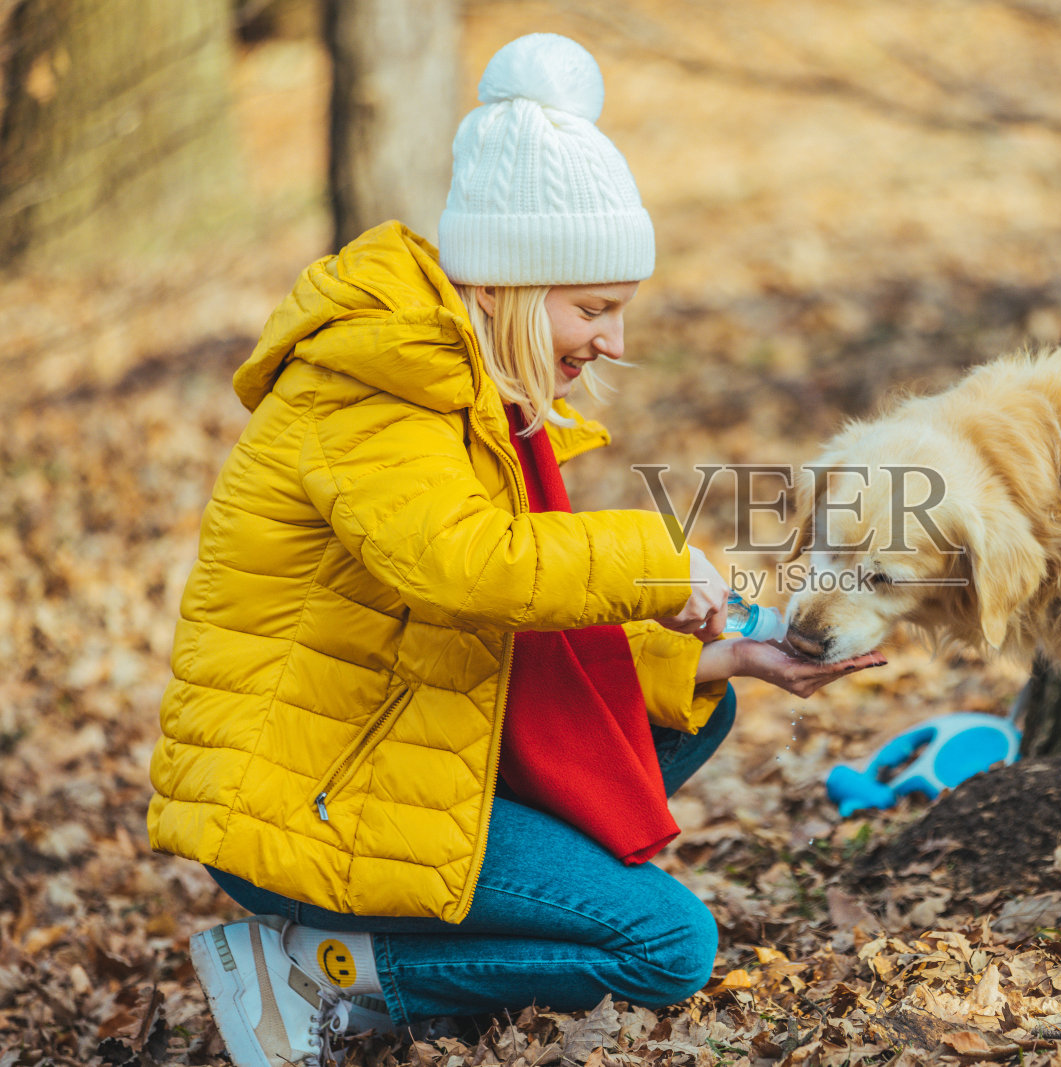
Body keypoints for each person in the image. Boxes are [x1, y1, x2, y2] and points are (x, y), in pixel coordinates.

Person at [147, 33, 884, 1067]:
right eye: (595, 309)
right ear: (504, 284)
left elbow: (516, 636)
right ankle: (329, 971)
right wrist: (659, 563)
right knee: (666, 945)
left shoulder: (464, 385)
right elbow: (470, 565)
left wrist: (718, 654)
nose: (615, 343)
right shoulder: (373, 383)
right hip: (303, 798)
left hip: (391, 747)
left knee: (691, 713)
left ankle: (422, 934)